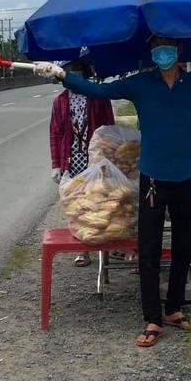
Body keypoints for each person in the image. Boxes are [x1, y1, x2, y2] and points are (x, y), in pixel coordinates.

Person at [36, 36, 191, 348]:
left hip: (185, 179)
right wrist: (61, 75)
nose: (162, 52)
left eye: (167, 46)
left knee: (184, 247)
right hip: (153, 181)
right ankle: (152, 318)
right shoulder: (140, 84)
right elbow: (98, 90)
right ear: (151, 52)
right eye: (156, 47)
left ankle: (173, 310)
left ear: (179, 50)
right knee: (149, 250)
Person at [49, 59, 115, 266]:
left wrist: (109, 157)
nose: (71, 74)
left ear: (85, 72)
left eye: (76, 70)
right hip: (72, 159)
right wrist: (56, 165)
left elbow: (109, 128)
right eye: (67, 71)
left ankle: (106, 243)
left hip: (97, 158)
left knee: (100, 201)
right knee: (77, 204)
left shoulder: (98, 98)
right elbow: (55, 133)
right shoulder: (60, 101)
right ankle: (84, 249)